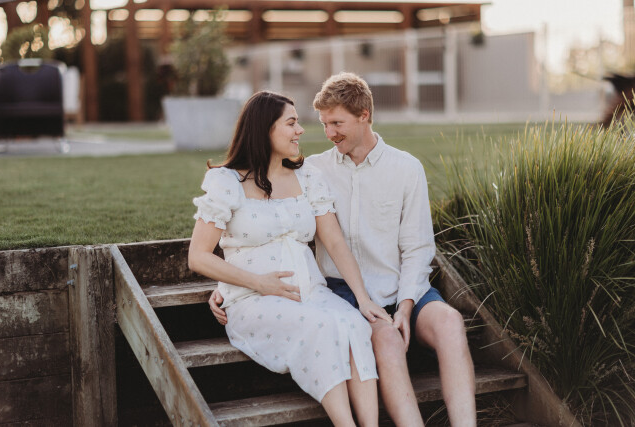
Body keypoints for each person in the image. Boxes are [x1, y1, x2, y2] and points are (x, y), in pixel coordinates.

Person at [209, 73, 477, 426]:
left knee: (451, 323)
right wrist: (231, 284)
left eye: (337, 123)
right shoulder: (311, 170)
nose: (329, 133)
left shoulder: (406, 168)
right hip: (345, 292)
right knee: (386, 339)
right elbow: (265, 223)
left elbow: (417, 248)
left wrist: (406, 306)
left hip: (402, 287)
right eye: (324, 124)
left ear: (364, 115)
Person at [188, 90, 392, 427]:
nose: (300, 130)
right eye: (292, 123)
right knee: (321, 327)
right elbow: (197, 256)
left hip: (311, 293)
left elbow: (335, 242)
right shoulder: (227, 182)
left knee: (355, 324)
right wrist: (257, 283)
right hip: (253, 300)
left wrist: (363, 298)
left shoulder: (307, 176)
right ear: (265, 128)